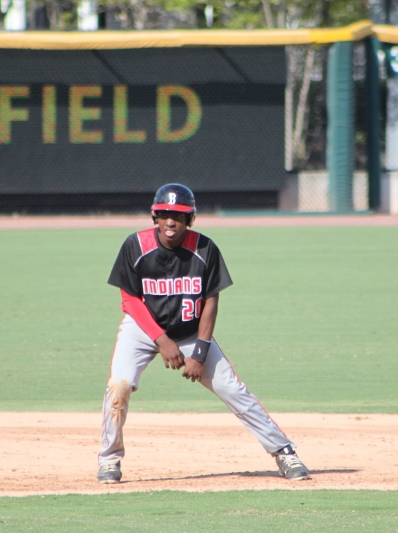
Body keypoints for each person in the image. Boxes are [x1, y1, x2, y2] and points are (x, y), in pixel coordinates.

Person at [97, 183, 309, 484]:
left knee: (232, 390)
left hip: (190, 331)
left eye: (179, 216)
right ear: (155, 216)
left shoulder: (205, 248)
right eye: (165, 215)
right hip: (142, 329)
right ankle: (109, 459)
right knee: (119, 383)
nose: (171, 222)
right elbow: (130, 300)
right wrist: (162, 340)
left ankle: (284, 451)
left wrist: (199, 352)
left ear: (190, 219)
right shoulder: (136, 245)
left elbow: (211, 302)